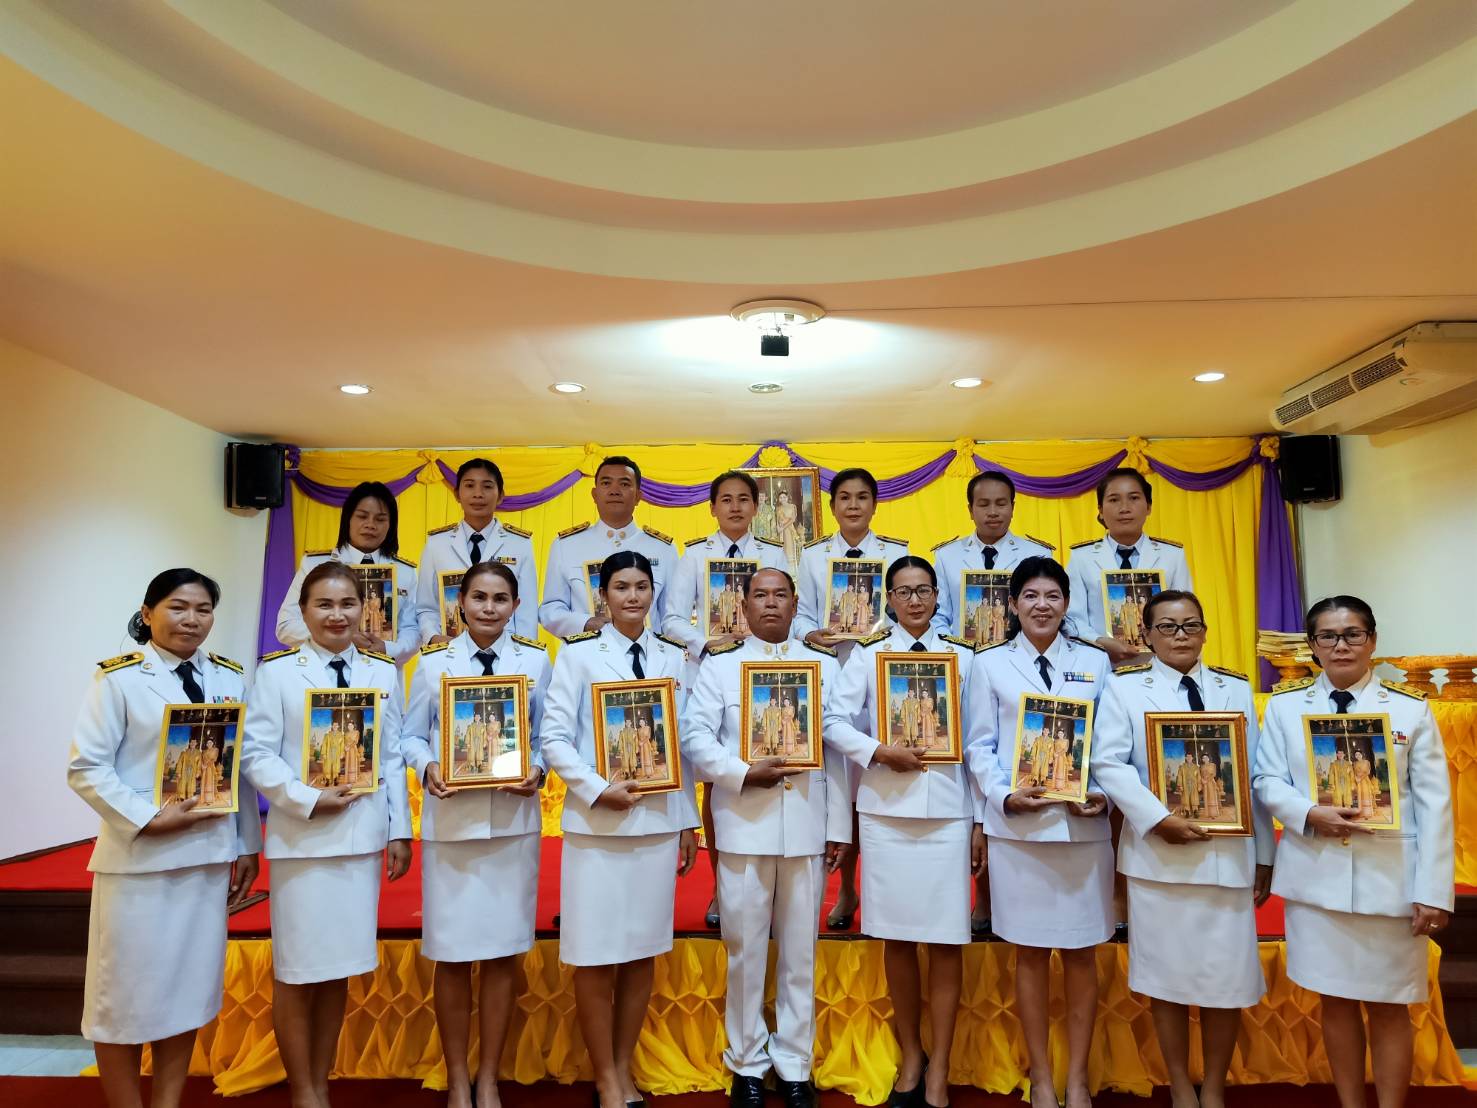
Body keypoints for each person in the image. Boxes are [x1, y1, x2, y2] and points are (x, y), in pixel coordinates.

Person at [68, 569, 261, 1108]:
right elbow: (86, 767)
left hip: (206, 859)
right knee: (122, 998)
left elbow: (240, 769)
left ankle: (168, 1101)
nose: (191, 620)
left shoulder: (229, 678)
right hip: (139, 863)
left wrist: (247, 843)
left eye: (203, 609)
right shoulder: (119, 679)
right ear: (148, 613)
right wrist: (151, 817)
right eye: (178, 607)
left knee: (187, 994)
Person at [1253, 595, 1453, 1108]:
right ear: (1313, 645)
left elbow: (1435, 805)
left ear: (1372, 641)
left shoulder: (1409, 709)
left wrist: (1434, 891)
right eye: (1328, 636)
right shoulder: (1285, 706)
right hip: (1316, 881)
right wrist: (1306, 812)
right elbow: (1267, 780)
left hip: (1391, 883)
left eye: (1353, 635)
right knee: (1336, 1002)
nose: (1341, 645)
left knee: (1389, 1005)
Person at [680, 567, 859, 1108]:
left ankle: (796, 1064)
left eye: (781, 595)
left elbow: (837, 752)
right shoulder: (721, 666)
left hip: (806, 825)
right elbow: (694, 735)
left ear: (796, 604)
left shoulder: (822, 665)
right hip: (744, 824)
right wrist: (740, 771)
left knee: (801, 953)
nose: (771, 603)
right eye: (760, 595)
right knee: (745, 953)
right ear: (744, 605)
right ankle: (747, 1063)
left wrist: (839, 827)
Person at [1090, 589, 1274, 1108]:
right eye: (1167, 627)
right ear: (1147, 636)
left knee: (1227, 980)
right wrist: (1157, 819)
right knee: (1166, 978)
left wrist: (1265, 854)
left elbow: (1254, 775)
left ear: (1205, 632)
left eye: (1191, 625)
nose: (1180, 636)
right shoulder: (1125, 689)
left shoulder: (1235, 689)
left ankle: (1212, 1087)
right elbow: (1108, 763)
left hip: (1227, 858)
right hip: (1159, 858)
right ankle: (1179, 1086)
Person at [241, 562, 413, 1108]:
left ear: (364, 608)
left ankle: (322, 1082)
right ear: (303, 611)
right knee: (297, 971)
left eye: (347, 604)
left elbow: (391, 755)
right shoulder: (277, 673)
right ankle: (304, 1093)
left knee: (339, 969)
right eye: (324, 605)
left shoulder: (383, 672)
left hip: (360, 841)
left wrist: (400, 831)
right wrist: (306, 798)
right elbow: (255, 754)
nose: (337, 615)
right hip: (303, 842)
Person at [537, 551, 699, 1108]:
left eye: (641, 587)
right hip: (598, 826)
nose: (632, 596)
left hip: (657, 824)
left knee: (640, 952)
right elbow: (553, 738)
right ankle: (605, 1077)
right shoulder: (578, 655)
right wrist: (594, 787)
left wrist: (688, 820)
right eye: (621, 587)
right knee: (595, 953)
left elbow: (683, 745)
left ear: (653, 593)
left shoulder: (674, 656)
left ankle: (624, 1067)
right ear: (602, 595)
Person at [825, 556, 984, 1108]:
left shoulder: (965, 656)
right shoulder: (868, 654)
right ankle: (912, 1054)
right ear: (888, 600)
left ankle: (942, 1064)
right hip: (887, 811)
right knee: (896, 937)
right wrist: (878, 751)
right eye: (903, 592)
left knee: (945, 939)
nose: (914, 600)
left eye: (923, 590)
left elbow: (980, 742)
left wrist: (981, 820)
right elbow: (832, 722)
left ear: (938, 596)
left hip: (948, 812)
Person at [402, 562, 550, 1108]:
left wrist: (538, 769)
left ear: (516, 606)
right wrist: (427, 767)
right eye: (479, 597)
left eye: (500, 599)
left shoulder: (535, 661)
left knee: (503, 953)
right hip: (453, 825)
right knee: (452, 953)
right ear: (460, 602)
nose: (489, 608)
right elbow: (410, 736)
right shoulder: (432, 664)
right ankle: (458, 1077)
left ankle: (488, 1076)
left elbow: (548, 734)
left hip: (512, 825)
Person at [965, 556, 1110, 1108]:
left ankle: (1078, 1078)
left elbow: (1110, 743)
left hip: (1081, 829)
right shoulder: (990, 664)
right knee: (1028, 954)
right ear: (1013, 604)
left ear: (1066, 604)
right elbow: (979, 746)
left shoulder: (1095, 663)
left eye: (1052, 595)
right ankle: (1042, 1077)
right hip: (1019, 830)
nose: (1042, 605)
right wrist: (1002, 795)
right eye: (1030, 596)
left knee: (1081, 954)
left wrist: (1101, 792)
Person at [794, 467, 908, 928]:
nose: (854, 505)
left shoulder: (896, 553)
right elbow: (801, 616)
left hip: (880, 682)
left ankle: (882, 885)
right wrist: (812, 634)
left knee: (873, 789)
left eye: (863, 497)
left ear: (875, 504)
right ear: (833, 506)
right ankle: (845, 889)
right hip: (830, 674)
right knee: (837, 789)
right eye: (845, 497)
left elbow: (909, 612)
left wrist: (880, 635)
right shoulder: (813, 555)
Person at [276, 481, 422, 664]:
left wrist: (387, 649)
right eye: (362, 516)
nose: (370, 525)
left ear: (391, 525)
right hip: (323, 672)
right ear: (348, 520)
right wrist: (340, 637)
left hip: (382, 670)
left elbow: (412, 630)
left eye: (380, 519)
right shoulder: (315, 564)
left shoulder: (405, 572)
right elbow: (286, 626)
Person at [1065, 467, 1192, 667]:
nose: (1124, 508)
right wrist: (1100, 642)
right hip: (1102, 665)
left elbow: (1186, 614)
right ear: (1100, 510)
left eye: (1133, 498)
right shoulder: (1081, 557)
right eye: (1114, 500)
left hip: (1161, 665)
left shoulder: (1172, 555)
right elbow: (1072, 618)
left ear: (1148, 506)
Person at [540, 456, 677, 638]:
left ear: (638, 496)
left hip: (647, 651)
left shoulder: (663, 548)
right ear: (594, 495)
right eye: (606, 483)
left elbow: (673, 614)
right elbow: (550, 609)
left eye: (624, 484)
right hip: (586, 650)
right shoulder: (565, 545)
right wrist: (585, 623)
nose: (614, 491)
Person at [418, 458, 538, 642]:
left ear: (500, 495)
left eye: (487, 486)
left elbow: (527, 610)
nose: (478, 494)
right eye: (469, 485)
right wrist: (434, 638)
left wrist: (522, 652)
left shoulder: (519, 543)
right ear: (457, 494)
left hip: (504, 649)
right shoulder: (436, 544)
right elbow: (426, 607)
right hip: (449, 648)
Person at [932, 470, 1054, 638]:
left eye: (1001, 504)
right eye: (984, 504)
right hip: (962, 651)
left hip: (1022, 650)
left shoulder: (1038, 554)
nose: (993, 512)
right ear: (970, 510)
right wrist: (954, 648)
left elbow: (1050, 611)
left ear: (1012, 508)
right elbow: (938, 615)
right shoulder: (947, 556)